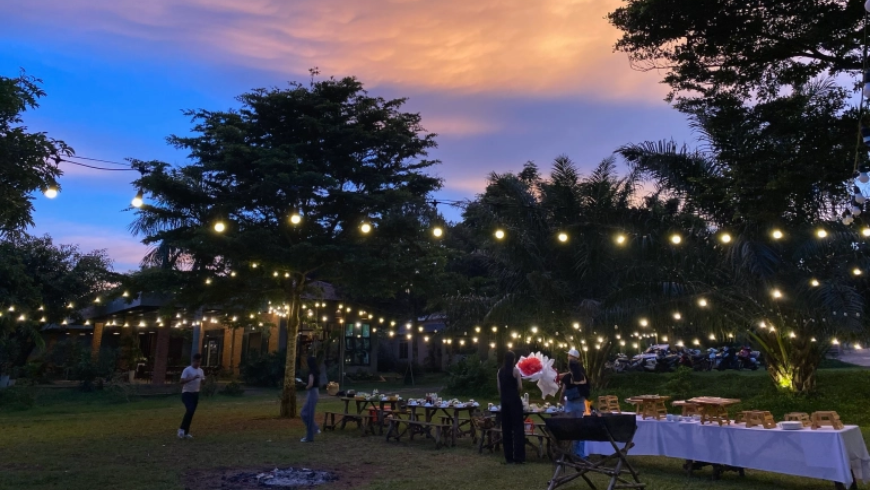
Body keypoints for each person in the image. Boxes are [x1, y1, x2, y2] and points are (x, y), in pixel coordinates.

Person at [560, 348, 590, 456]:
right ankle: (580, 453)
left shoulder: (568, 377)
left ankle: (570, 453)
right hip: (581, 405)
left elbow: (563, 391)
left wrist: (560, 401)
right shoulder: (583, 375)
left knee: (571, 430)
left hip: (570, 405)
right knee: (580, 429)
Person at [497, 351, 526, 464]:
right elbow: (520, 387)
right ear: (514, 360)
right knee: (518, 428)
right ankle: (519, 457)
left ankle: (508, 456)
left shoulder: (500, 372)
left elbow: (499, 387)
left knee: (506, 429)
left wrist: (504, 396)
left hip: (504, 401)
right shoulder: (515, 371)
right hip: (514, 401)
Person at [178, 353, 205, 439]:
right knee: (190, 409)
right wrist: (192, 378)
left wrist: (204, 380)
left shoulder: (201, 371)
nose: (198, 364)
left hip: (195, 393)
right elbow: (181, 381)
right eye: (197, 361)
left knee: (191, 412)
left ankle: (186, 432)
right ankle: (181, 430)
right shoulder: (187, 370)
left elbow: (203, 381)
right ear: (193, 361)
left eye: (200, 362)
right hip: (187, 393)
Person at [300, 356, 320, 442]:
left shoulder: (311, 372)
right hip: (315, 392)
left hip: (312, 392)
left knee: (306, 413)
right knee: (306, 413)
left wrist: (306, 386)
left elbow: (311, 384)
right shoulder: (316, 371)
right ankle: (315, 428)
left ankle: (310, 436)